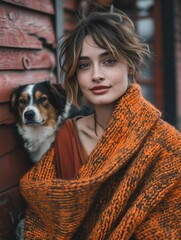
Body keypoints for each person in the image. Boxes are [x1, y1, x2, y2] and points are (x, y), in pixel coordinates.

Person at [19, 8, 181, 240]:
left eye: (109, 61)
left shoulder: (168, 146)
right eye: (84, 65)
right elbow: (48, 214)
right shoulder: (69, 134)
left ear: (131, 65)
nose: (96, 75)